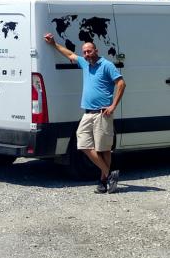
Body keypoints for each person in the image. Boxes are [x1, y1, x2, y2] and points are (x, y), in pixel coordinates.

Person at [43, 32, 126, 193]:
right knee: (83, 144)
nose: (86, 54)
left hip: (103, 114)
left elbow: (121, 83)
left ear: (96, 50)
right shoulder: (85, 63)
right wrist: (54, 44)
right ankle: (110, 175)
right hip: (88, 113)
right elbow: (69, 54)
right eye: (85, 52)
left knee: (104, 149)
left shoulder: (106, 65)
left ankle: (103, 182)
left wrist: (113, 106)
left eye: (89, 51)